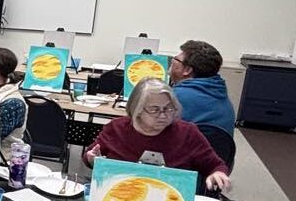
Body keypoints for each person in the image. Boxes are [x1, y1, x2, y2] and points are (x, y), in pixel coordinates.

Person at [84, 77, 231, 192]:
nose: (163, 116)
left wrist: (217, 173)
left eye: (169, 109)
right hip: (118, 195)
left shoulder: (187, 133)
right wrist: (91, 159)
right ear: (138, 110)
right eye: (154, 110)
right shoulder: (116, 128)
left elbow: (215, 165)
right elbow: (89, 156)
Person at [169, 39, 236, 136]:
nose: (172, 62)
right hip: (218, 151)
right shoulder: (220, 92)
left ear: (187, 70)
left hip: (187, 150)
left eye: (175, 60)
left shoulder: (176, 97)